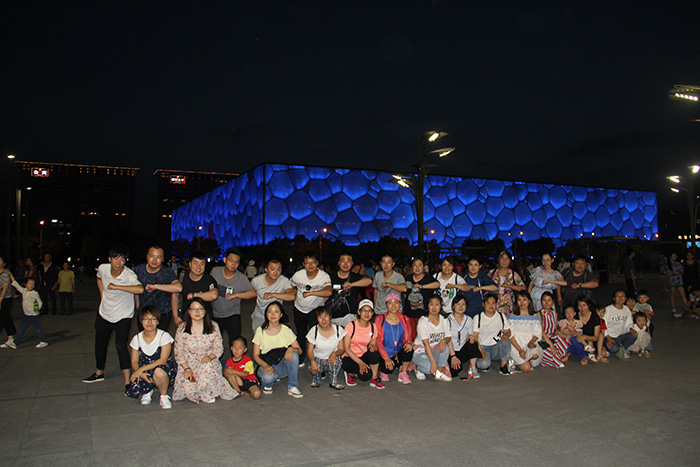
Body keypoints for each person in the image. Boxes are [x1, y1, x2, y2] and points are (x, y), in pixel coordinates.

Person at [83, 245, 144, 389]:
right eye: (115, 258)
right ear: (109, 259)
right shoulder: (103, 268)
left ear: (125, 261)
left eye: (122, 259)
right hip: (104, 313)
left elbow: (140, 289)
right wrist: (102, 295)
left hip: (123, 315)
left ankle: (127, 381)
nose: (118, 262)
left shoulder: (129, 275)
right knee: (100, 344)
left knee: (121, 346)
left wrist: (118, 287)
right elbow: (99, 278)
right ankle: (99, 372)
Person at [173, 297, 237, 403]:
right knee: (189, 389)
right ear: (188, 311)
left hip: (207, 360)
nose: (197, 312)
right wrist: (186, 368)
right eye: (193, 309)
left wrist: (210, 357)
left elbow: (218, 348)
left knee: (207, 369)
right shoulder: (182, 329)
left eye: (200, 309)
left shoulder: (213, 326)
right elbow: (178, 352)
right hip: (189, 362)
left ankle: (208, 392)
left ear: (205, 311)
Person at [125, 306, 176, 409]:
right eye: (146, 319)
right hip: (145, 369)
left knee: (158, 372)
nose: (149, 322)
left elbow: (163, 360)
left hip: (162, 367)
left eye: (153, 319)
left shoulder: (164, 336)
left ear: (158, 322)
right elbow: (134, 361)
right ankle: (147, 391)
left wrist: (140, 370)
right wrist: (140, 372)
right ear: (141, 321)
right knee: (143, 374)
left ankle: (163, 395)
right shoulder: (136, 338)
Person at [252, 301, 304, 398]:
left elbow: (299, 351)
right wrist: (265, 365)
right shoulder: (260, 330)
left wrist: (291, 349)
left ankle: (293, 386)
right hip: (266, 363)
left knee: (294, 355)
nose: (273, 314)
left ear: (281, 315)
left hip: (281, 364)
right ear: (266, 314)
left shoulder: (286, 330)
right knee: (269, 378)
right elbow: (255, 355)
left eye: (276, 312)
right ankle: (268, 384)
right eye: (270, 312)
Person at [290, 252, 332, 362]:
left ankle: (316, 359)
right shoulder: (298, 275)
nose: (310, 265)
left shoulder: (323, 276)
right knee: (301, 334)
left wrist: (311, 293)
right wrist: (294, 294)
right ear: (303, 264)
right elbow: (291, 286)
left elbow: (328, 291)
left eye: (313, 262)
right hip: (299, 309)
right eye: (307, 263)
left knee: (316, 335)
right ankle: (300, 357)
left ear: (317, 263)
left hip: (315, 311)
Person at [209, 247, 253, 351]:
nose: (233, 264)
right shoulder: (215, 271)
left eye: (236, 262)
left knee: (234, 343)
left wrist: (236, 295)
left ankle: (235, 360)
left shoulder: (241, 278)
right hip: (215, 314)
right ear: (225, 260)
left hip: (232, 315)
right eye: (231, 260)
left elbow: (252, 293)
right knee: (213, 343)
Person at [134, 246, 182, 332]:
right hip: (144, 313)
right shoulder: (139, 270)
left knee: (161, 339)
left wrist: (155, 286)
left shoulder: (167, 272)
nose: (155, 260)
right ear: (147, 257)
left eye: (158, 257)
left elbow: (178, 288)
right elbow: (135, 289)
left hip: (162, 313)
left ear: (162, 259)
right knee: (143, 338)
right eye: (152, 256)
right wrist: (138, 309)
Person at [341, 299, 382, 388]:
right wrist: (360, 363)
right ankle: (351, 373)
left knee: (374, 351)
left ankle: (374, 378)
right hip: (350, 357)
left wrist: (373, 346)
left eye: (369, 311)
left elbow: (372, 344)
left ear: (372, 313)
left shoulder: (373, 327)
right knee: (365, 376)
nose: (367, 313)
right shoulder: (351, 325)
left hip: (363, 355)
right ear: (359, 312)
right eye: (364, 310)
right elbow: (346, 348)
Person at [376, 292, 415, 384]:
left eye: (396, 302)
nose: (393, 306)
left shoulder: (405, 319)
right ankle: (385, 369)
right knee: (387, 370)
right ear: (386, 305)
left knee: (409, 349)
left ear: (400, 304)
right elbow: (378, 341)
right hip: (384, 351)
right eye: (390, 303)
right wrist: (386, 358)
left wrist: (409, 343)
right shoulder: (380, 319)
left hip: (398, 350)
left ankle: (403, 372)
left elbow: (408, 337)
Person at [412, 296, 453, 381]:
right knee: (429, 368)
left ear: (441, 306)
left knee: (445, 347)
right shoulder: (423, 321)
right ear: (427, 306)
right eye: (431, 305)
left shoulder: (444, 319)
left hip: (434, 349)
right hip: (421, 350)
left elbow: (448, 337)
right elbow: (426, 344)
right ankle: (417, 368)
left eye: (437, 305)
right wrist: (433, 363)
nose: (434, 308)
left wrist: (444, 340)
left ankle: (439, 372)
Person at [248, 259, 295, 332]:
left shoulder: (284, 280)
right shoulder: (256, 281)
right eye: (272, 269)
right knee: (259, 336)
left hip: (275, 317)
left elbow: (292, 296)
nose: (275, 272)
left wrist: (272, 295)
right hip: (259, 315)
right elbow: (252, 294)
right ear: (266, 269)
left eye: (278, 269)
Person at [306, 307, 346, 389]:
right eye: (320, 317)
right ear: (317, 319)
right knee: (313, 367)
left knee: (337, 361)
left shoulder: (338, 329)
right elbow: (310, 351)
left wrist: (334, 353)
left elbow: (341, 349)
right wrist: (312, 361)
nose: (323, 320)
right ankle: (316, 379)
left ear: (330, 316)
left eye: (325, 316)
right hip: (318, 358)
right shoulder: (314, 331)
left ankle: (333, 382)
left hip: (331, 359)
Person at [328, 252, 372, 327]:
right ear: (338, 263)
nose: (345, 264)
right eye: (343, 261)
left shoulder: (355, 277)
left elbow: (369, 281)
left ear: (352, 264)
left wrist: (352, 284)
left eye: (348, 261)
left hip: (349, 317)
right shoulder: (330, 277)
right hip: (332, 317)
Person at [474, 293, 512, 375]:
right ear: (483, 304)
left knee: (507, 340)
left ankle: (503, 366)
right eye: (488, 303)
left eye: (493, 303)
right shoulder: (478, 317)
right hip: (483, 346)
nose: (491, 306)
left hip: (496, 346)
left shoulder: (501, 316)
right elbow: (475, 336)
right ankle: (485, 361)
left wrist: (506, 335)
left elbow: (508, 330)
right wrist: (480, 351)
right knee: (483, 365)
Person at [7, 274, 48, 348]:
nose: (32, 286)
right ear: (25, 284)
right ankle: (15, 343)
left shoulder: (35, 293)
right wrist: (10, 275)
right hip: (26, 315)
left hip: (34, 315)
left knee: (38, 329)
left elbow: (40, 302)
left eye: (33, 284)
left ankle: (43, 341)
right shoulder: (24, 291)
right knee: (21, 329)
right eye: (30, 284)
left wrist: (38, 308)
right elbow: (16, 285)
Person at [447, 294, 481, 379]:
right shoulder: (447, 319)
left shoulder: (468, 319)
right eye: (458, 304)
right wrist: (453, 356)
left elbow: (470, 334)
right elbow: (447, 339)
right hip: (451, 351)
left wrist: (471, 336)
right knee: (454, 371)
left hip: (462, 349)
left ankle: (473, 368)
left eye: (463, 304)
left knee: (473, 341)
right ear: (453, 306)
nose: (461, 307)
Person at [507, 291, 543, 373]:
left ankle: (526, 359)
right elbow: (511, 336)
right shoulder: (513, 316)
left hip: (529, 343)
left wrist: (531, 342)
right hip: (517, 345)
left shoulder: (534, 316)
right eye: (519, 300)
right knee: (527, 368)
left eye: (524, 300)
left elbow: (537, 333)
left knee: (535, 355)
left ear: (529, 301)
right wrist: (520, 350)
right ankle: (515, 359)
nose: (522, 303)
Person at [179, 251, 218, 322]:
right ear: (190, 264)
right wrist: (175, 316)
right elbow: (175, 295)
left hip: (205, 319)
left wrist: (194, 295)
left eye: (202, 264)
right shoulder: (182, 277)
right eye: (195, 263)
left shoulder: (209, 279)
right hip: (186, 318)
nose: (198, 267)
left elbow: (214, 295)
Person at [488, 251, 526, 316]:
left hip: (509, 306)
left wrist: (510, 286)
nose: (504, 261)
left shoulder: (513, 274)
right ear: (499, 260)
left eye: (507, 259)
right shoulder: (492, 273)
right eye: (502, 258)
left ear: (510, 261)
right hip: (493, 305)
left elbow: (523, 287)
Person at [603, 289, 636, 359]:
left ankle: (623, 348)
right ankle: (608, 348)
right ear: (614, 298)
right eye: (618, 296)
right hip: (609, 336)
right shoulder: (608, 309)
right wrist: (608, 338)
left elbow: (629, 322)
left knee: (634, 335)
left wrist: (631, 328)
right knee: (614, 349)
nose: (620, 298)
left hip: (620, 336)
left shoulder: (626, 309)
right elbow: (603, 325)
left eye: (622, 296)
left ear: (625, 298)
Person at [537, 292, 566, 369]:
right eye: (544, 300)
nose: (546, 303)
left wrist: (558, 331)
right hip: (542, 340)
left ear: (553, 302)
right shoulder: (539, 314)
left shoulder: (554, 313)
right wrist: (551, 345)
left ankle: (554, 356)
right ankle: (551, 359)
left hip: (552, 338)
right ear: (541, 301)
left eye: (549, 300)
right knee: (552, 355)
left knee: (563, 342)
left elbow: (554, 328)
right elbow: (541, 332)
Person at [0, 255, 17, 349]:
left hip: (5, 299)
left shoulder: (5, 274)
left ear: (4, 264)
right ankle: (10, 339)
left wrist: (0, 299)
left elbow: (5, 287)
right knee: (7, 318)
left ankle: (11, 339)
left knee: (2, 318)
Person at [666, 253, 689, 318]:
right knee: (672, 295)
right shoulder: (668, 265)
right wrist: (674, 273)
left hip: (679, 281)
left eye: (675, 256)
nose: (675, 257)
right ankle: (673, 307)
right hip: (672, 281)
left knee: (683, 294)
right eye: (673, 256)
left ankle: (687, 305)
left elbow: (682, 271)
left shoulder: (678, 263)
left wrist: (678, 272)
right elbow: (668, 273)